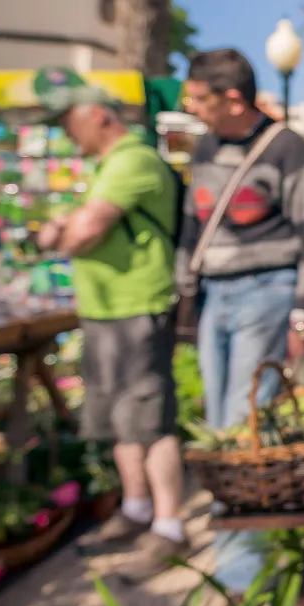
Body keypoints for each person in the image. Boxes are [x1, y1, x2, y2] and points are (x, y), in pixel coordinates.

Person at [178, 48, 304, 606]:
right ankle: (238, 568)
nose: (189, 108)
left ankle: (246, 578)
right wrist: (184, 290)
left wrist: (303, 314)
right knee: (218, 424)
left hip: (268, 291)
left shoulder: (288, 148)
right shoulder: (202, 148)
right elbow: (193, 226)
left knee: (241, 426)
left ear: (233, 100)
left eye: (198, 98)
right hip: (215, 295)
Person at [30, 67, 186, 571]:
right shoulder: (104, 166)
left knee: (150, 418)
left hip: (138, 307)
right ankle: (136, 508)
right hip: (104, 309)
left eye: (69, 123)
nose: (65, 135)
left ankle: (170, 525)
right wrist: (62, 228)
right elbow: (67, 229)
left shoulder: (133, 159)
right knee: (121, 420)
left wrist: (62, 230)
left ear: (98, 116)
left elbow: (78, 234)